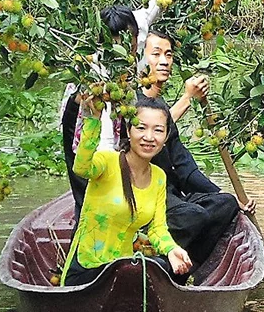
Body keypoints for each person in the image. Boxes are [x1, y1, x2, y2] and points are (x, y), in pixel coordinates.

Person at [137, 28, 256, 267]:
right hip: (142, 193)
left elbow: (184, 167)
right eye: (156, 54)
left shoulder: (160, 105)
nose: (164, 61)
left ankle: (191, 265)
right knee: (193, 215)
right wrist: (187, 99)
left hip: (169, 194)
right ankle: (157, 259)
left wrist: (219, 193)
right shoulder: (131, 104)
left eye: (169, 55)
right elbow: (150, 135)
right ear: (140, 60)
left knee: (225, 204)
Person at [62, 94, 192, 286]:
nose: (149, 137)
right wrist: (93, 120)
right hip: (87, 269)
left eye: (158, 130)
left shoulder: (158, 176)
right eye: (141, 128)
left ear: (165, 137)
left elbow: (157, 229)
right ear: (129, 131)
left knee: (166, 267)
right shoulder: (107, 162)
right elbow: (81, 167)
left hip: (122, 270)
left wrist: (172, 249)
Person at [60, 0, 170, 218]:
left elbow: (154, 8)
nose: (123, 46)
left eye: (127, 40)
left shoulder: (135, 38)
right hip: (82, 122)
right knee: (88, 201)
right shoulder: (95, 70)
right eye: (115, 41)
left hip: (115, 118)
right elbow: (104, 136)